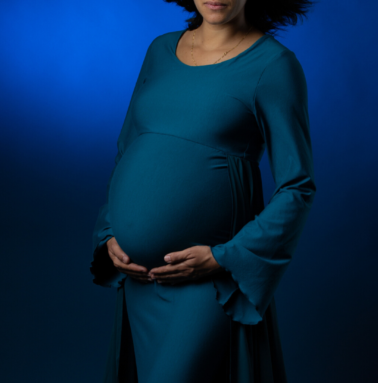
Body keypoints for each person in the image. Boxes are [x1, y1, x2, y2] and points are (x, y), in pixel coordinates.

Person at [90, 0, 316, 381]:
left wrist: (227, 257)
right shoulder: (160, 50)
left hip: (207, 281)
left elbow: (298, 185)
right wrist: (110, 231)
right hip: (140, 280)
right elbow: (128, 149)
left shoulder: (274, 65)